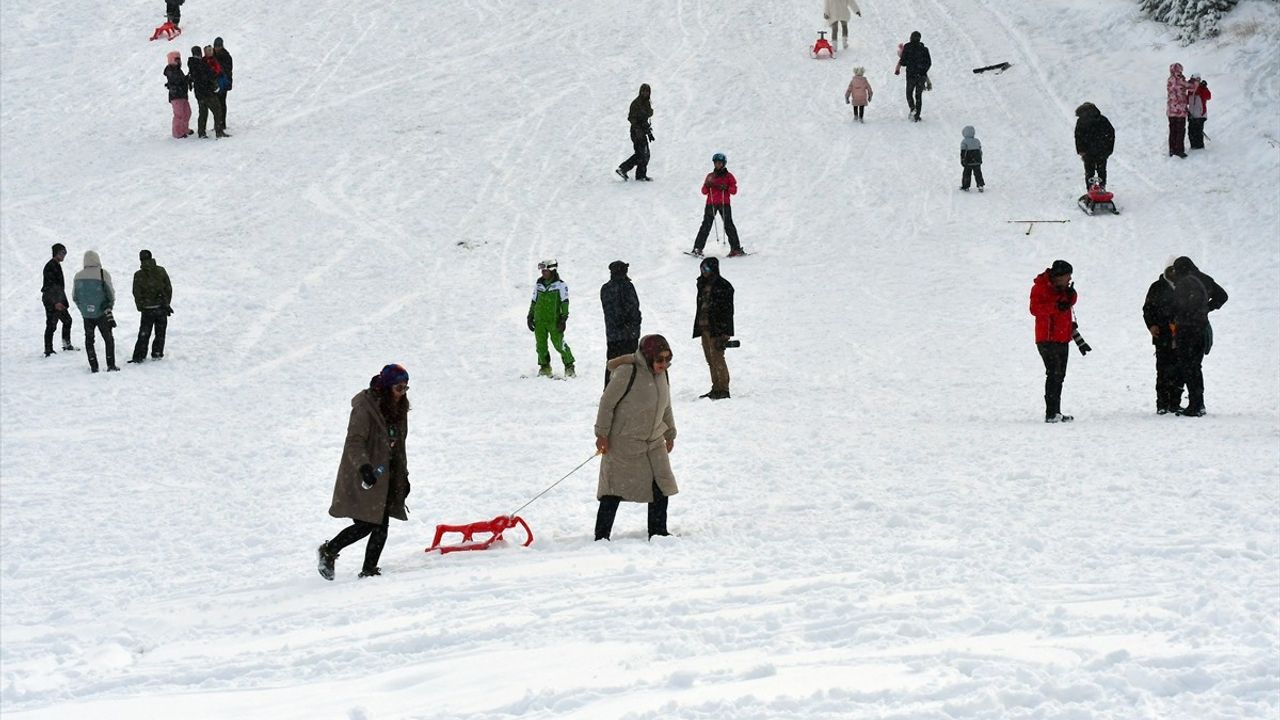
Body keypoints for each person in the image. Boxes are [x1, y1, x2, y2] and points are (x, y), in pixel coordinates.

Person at [318, 364, 412, 580]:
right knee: (368, 522)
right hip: (365, 473)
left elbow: (399, 445)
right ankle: (329, 550)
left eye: (406, 388)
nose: (402, 393)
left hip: (387, 473)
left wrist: (404, 476)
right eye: (399, 388)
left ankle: (369, 569)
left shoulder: (398, 409)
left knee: (381, 521)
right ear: (387, 387)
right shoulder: (365, 407)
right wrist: (364, 467)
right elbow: (354, 442)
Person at [594, 335, 677, 541]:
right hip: (624, 442)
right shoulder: (627, 372)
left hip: (654, 441)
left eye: (668, 360)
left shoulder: (662, 375)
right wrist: (602, 434)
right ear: (649, 357)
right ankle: (601, 536)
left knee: (661, 485)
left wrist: (670, 433)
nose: (664, 365)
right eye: (660, 360)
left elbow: (666, 406)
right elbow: (607, 404)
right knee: (613, 489)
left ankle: (658, 532)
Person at [1168, 256, 1228, 417]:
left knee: (1188, 366)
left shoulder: (1185, 282)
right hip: (1202, 327)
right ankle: (1196, 402)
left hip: (1187, 329)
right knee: (1195, 366)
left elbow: (1179, 306)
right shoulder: (1205, 279)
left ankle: (1195, 404)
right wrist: (1207, 308)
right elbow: (1222, 296)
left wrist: (1177, 315)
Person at [1029, 260, 1077, 423]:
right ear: (1059, 276)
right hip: (1047, 338)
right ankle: (1051, 413)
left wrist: (1071, 296)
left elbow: (1069, 303)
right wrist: (1056, 306)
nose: (1069, 279)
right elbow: (1035, 309)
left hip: (1063, 337)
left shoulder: (1062, 289)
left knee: (1059, 375)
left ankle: (1056, 411)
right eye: (1067, 276)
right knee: (1054, 374)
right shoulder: (1040, 287)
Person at [692, 256, 735, 400]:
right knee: (710, 359)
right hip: (705, 328)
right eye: (702, 268)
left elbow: (728, 312)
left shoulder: (724, 286)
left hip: (717, 329)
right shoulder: (703, 284)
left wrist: (726, 332)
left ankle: (723, 388)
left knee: (717, 358)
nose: (704, 272)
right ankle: (716, 387)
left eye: (706, 268)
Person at [1142, 257, 1181, 415]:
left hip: (1181, 335)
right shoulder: (1157, 287)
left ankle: (1175, 403)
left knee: (1179, 371)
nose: (1173, 273)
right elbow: (1147, 309)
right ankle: (1162, 404)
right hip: (1162, 335)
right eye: (1170, 270)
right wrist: (1151, 325)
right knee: (1163, 371)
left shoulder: (1183, 287)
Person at [71, 250, 118, 373]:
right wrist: (109, 307)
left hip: (87, 315)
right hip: (102, 313)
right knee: (108, 339)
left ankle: (94, 366)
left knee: (89, 340)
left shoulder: (78, 276)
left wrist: (83, 309)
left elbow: (75, 297)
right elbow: (111, 294)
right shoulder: (103, 274)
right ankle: (111, 365)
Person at [527, 259, 575, 378]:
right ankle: (545, 367)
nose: (543, 273)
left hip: (554, 320)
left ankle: (569, 366)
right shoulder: (539, 284)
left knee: (559, 344)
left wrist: (563, 319)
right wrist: (530, 316)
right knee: (540, 345)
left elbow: (565, 302)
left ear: (552, 270)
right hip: (540, 320)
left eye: (545, 270)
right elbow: (534, 301)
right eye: (542, 270)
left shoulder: (560, 285)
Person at [690, 153, 745, 257]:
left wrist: (727, 188)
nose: (717, 165)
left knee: (729, 225)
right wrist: (707, 185)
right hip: (711, 204)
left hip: (724, 204)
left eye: (719, 163)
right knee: (706, 226)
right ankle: (697, 248)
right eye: (715, 163)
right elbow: (704, 191)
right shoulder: (710, 176)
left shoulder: (729, 176)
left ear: (723, 164)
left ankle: (736, 249)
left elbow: (734, 191)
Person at [600, 260, 642, 389]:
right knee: (630, 364)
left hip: (612, 335)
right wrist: (634, 325)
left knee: (612, 364)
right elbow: (633, 308)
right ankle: (629, 390)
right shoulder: (627, 286)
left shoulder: (605, 288)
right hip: (629, 334)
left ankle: (608, 390)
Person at [129, 250, 173, 363]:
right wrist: (166, 303)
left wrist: (140, 306)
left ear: (140, 260)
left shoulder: (138, 274)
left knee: (144, 333)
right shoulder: (161, 270)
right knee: (160, 333)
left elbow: (136, 292)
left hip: (147, 310)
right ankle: (157, 353)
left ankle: (139, 356)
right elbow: (168, 288)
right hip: (161, 308)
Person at [41, 243, 76, 357]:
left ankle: (65, 345)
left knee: (66, 321)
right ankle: (48, 349)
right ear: (56, 253)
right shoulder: (51, 266)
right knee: (51, 324)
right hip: (52, 300)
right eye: (62, 252)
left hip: (57, 299)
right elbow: (51, 286)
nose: (64, 255)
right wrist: (56, 302)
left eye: (65, 253)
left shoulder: (55, 265)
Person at [616, 84, 653, 182]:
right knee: (642, 154)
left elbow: (647, 115)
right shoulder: (636, 103)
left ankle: (640, 175)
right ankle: (623, 169)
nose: (645, 93)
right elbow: (631, 117)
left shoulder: (647, 103)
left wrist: (648, 131)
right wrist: (637, 130)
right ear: (640, 92)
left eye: (647, 91)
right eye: (643, 91)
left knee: (644, 154)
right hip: (636, 132)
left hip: (643, 131)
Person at [1074, 102, 1115, 190]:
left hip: (1088, 151)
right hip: (1102, 150)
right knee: (1101, 170)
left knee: (1089, 171)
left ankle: (1090, 190)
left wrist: (1081, 150)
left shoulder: (1081, 121)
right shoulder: (1103, 119)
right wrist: (1108, 149)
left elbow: (1078, 136)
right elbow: (1111, 134)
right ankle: (1102, 187)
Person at [896, 31, 931, 121]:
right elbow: (929, 63)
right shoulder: (924, 49)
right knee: (918, 95)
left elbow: (903, 62)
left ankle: (912, 108)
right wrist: (923, 71)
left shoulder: (907, 47)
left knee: (909, 93)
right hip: (921, 76)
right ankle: (917, 116)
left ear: (911, 37)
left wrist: (906, 63)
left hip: (911, 75)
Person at [188, 46, 217, 139]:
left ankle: (201, 132)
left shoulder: (192, 63)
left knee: (203, 112)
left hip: (199, 92)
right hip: (206, 91)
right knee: (217, 110)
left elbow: (193, 77)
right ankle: (219, 131)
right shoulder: (201, 64)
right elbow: (208, 75)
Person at [1166, 62, 1194, 158]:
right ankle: (1179, 150)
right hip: (1180, 111)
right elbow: (1191, 87)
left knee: (1172, 130)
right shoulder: (1180, 80)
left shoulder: (1170, 80)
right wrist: (1194, 81)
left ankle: (1172, 149)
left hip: (1171, 111)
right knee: (1180, 131)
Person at [164, 51, 192, 139]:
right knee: (179, 115)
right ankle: (177, 133)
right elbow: (176, 80)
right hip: (176, 96)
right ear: (171, 60)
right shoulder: (170, 70)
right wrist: (185, 80)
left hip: (182, 95)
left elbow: (181, 80)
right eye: (176, 59)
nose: (179, 61)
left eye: (179, 59)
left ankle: (184, 129)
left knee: (187, 112)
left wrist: (188, 78)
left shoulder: (178, 70)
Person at [203, 46, 230, 138]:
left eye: (211, 50)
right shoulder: (207, 61)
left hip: (218, 86)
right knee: (217, 108)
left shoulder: (214, 59)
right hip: (213, 87)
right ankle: (219, 128)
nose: (211, 52)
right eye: (208, 51)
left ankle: (220, 126)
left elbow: (220, 70)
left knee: (220, 106)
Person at [212, 37, 233, 126]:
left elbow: (228, 69)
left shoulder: (226, 56)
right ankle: (218, 123)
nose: (217, 48)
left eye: (218, 46)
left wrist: (218, 69)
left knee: (221, 103)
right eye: (216, 46)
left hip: (223, 82)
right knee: (217, 104)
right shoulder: (212, 54)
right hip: (215, 82)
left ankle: (221, 123)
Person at [1187, 74, 1211, 150]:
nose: (1193, 82)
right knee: (1191, 132)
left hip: (1200, 115)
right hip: (1192, 115)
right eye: (1192, 80)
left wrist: (1204, 88)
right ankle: (1193, 147)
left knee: (1198, 132)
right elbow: (1188, 100)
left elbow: (1208, 96)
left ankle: (1200, 148)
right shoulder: (1190, 90)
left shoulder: (1201, 89)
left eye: (1195, 80)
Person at [959, 125, 984, 192]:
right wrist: (980, 158)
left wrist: (962, 160)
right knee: (978, 173)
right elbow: (980, 150)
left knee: (966, 174)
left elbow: (963, 152)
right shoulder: (977, 141)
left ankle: (966, 186)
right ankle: (980, 185)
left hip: (968, 161)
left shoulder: (964, 142)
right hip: (977, 160)